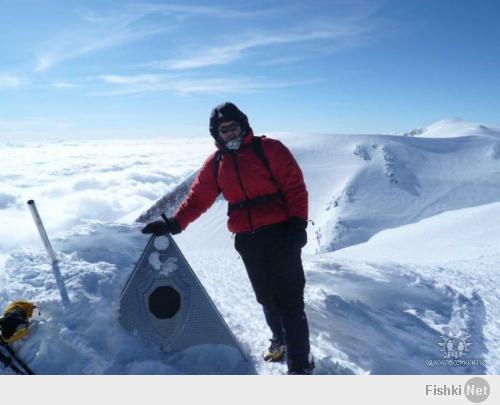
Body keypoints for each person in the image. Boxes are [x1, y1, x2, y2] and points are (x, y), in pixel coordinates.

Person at [142, 102, 313, 374]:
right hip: (248, 240)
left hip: (281, 235)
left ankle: (300, 365)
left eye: (233, 127)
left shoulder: (270, 149)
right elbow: (198, 199)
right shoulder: (216, 164)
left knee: (290, 301)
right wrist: (175, 223)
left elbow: (294, 186)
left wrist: (297, 224)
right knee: (267, 298)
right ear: (216, 134)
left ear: (243, 125)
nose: (230, 133)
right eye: (224, 130)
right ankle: (279, 340)